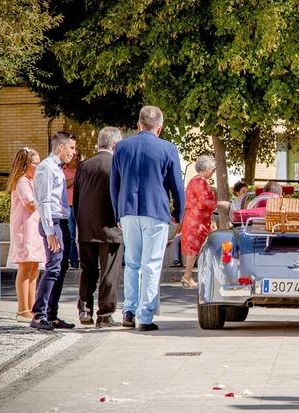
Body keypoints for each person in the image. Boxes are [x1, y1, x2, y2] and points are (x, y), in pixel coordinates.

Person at [110, 106, 185, 332]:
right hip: (156, 212)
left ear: (138, 124)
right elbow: (176, 186)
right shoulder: (168, 148)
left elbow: (114, 184)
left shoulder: (121, 147)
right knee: (151, 264)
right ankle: (145, 315)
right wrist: (179, 213)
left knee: (132, 263)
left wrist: (117, 213)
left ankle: (128, 311)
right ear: (159, 128)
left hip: (129, 212)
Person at [74, 127, 124, 328]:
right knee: (109, 273)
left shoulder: (84, 165)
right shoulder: (117, 164)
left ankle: (84, 310)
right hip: (110, 228)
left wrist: (79, 223)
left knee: (88, 270)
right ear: (115, 145)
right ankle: (105, 314)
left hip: (85, 228)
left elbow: (76, 199)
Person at [31, 131, 77, 331]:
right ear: (61, 147)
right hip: (53, 223)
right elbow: (44, 201)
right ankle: (39, 315)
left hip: (63, 222)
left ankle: (52, 314)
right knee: (53, 268)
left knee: (61, 268)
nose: (73, 153)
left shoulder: (58, 168)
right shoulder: (47, 168)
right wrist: (50, 231)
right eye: (72, 148)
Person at [6, 148, 45, 323]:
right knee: (25, 267)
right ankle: (23, 309)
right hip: (24, 230)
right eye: (35, 162)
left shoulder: (31, 181)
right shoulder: (22, 181)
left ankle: (31, 308)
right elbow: (30, 205)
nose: (38, 165)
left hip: (34, 229)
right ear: (26, 165)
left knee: (34, 268)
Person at [180, 156, 230, 288]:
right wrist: (220, 203)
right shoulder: (200, 182)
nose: (213, 171)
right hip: (197, 220)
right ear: (206, 169)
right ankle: (188, 276)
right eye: (212, 169)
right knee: (195, 248)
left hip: (196, 218)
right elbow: (204, 202)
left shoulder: (195, 181)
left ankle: (191, 275)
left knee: (196, 247)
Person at [63, 149, 82, 268]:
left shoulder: (83, 169)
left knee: (84, 234)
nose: (76, 158)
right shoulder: (62, 169)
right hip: (68, 205)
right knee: (71, 235)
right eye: (74, 155)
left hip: (81, 205)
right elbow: (63, 185)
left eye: (78, 156)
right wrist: (75, 180)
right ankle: (73, 260)